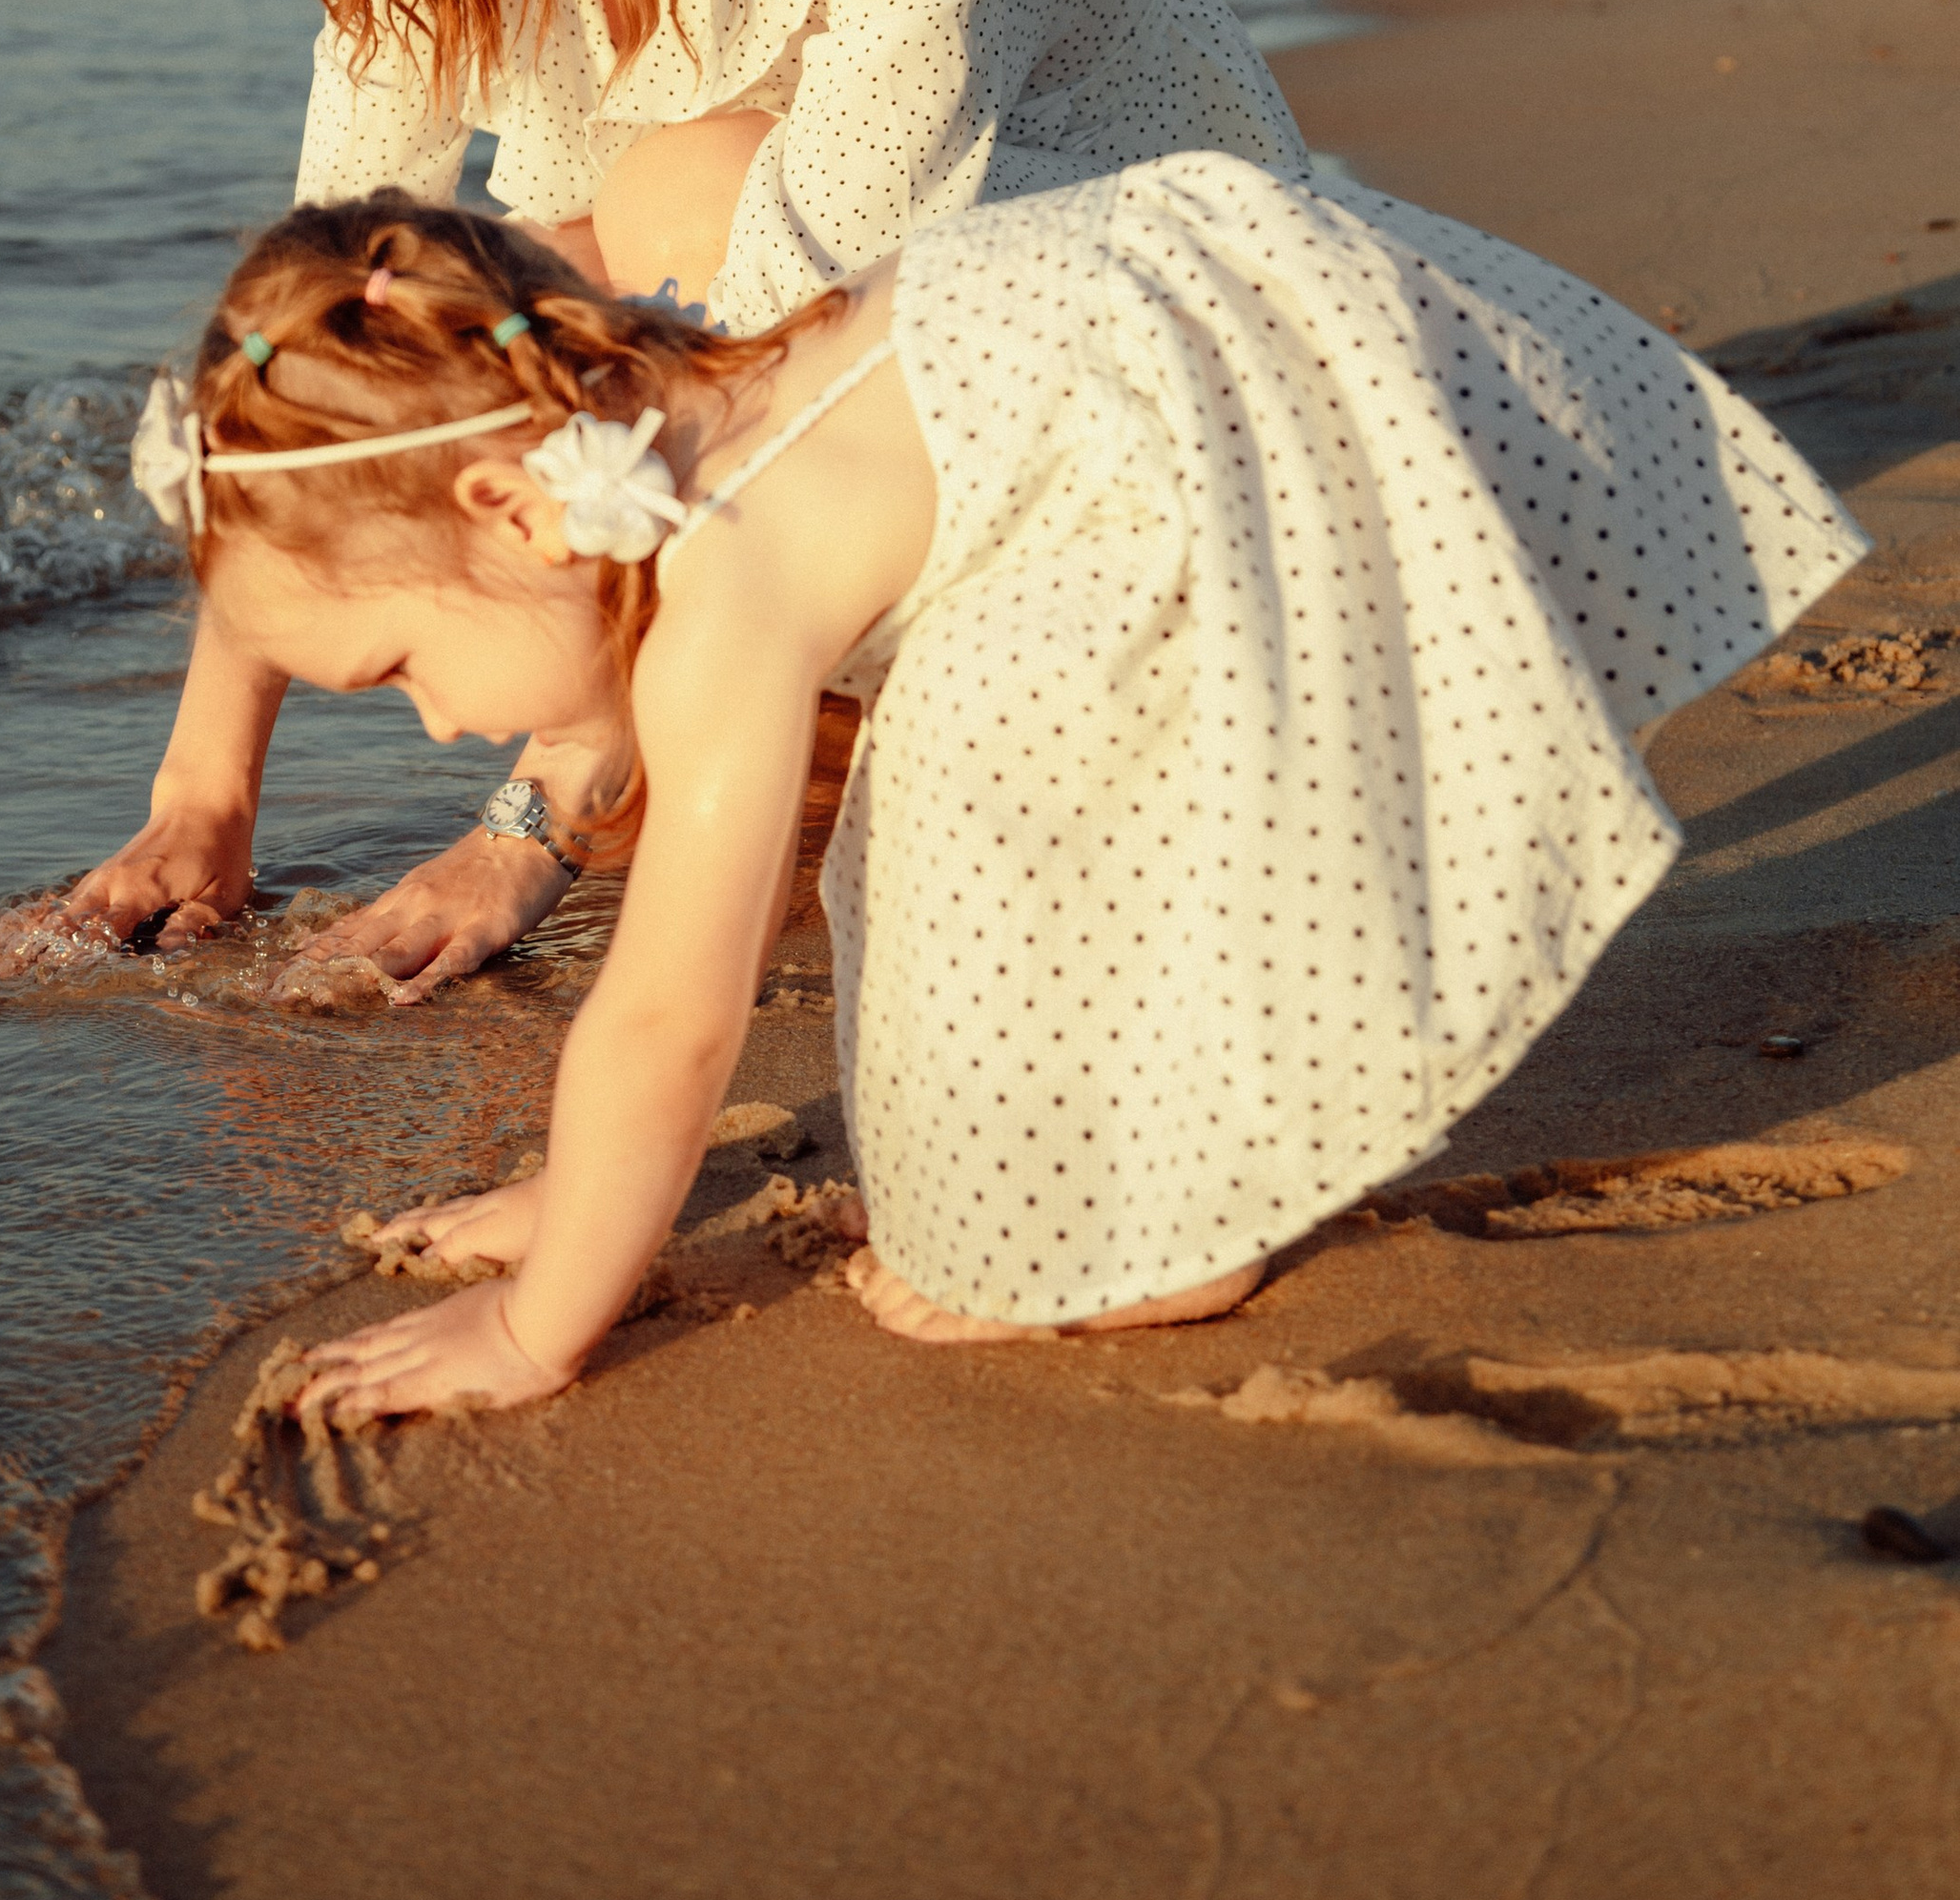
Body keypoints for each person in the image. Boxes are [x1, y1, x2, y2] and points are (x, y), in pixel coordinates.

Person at [126, 167, 1860, 1404]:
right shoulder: (688, 392)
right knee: (993, 837)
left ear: (513, 510)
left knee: (961, 875)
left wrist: (535, 1324)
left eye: (402, 672)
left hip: (1162, 469)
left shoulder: (721, 586)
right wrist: (578, 1193)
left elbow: (668, 1019)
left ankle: (1172, 1242)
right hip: (1211, 315)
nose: (434, 727)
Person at [67, 0, 1307, 983]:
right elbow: (313, 351)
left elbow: (781, 343)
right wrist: (202, 790)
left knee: (659, 211)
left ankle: (778, 722)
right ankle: (784, 715)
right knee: (451, 293)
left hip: (1172, 357)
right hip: (841, 381)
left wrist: (533, 818)